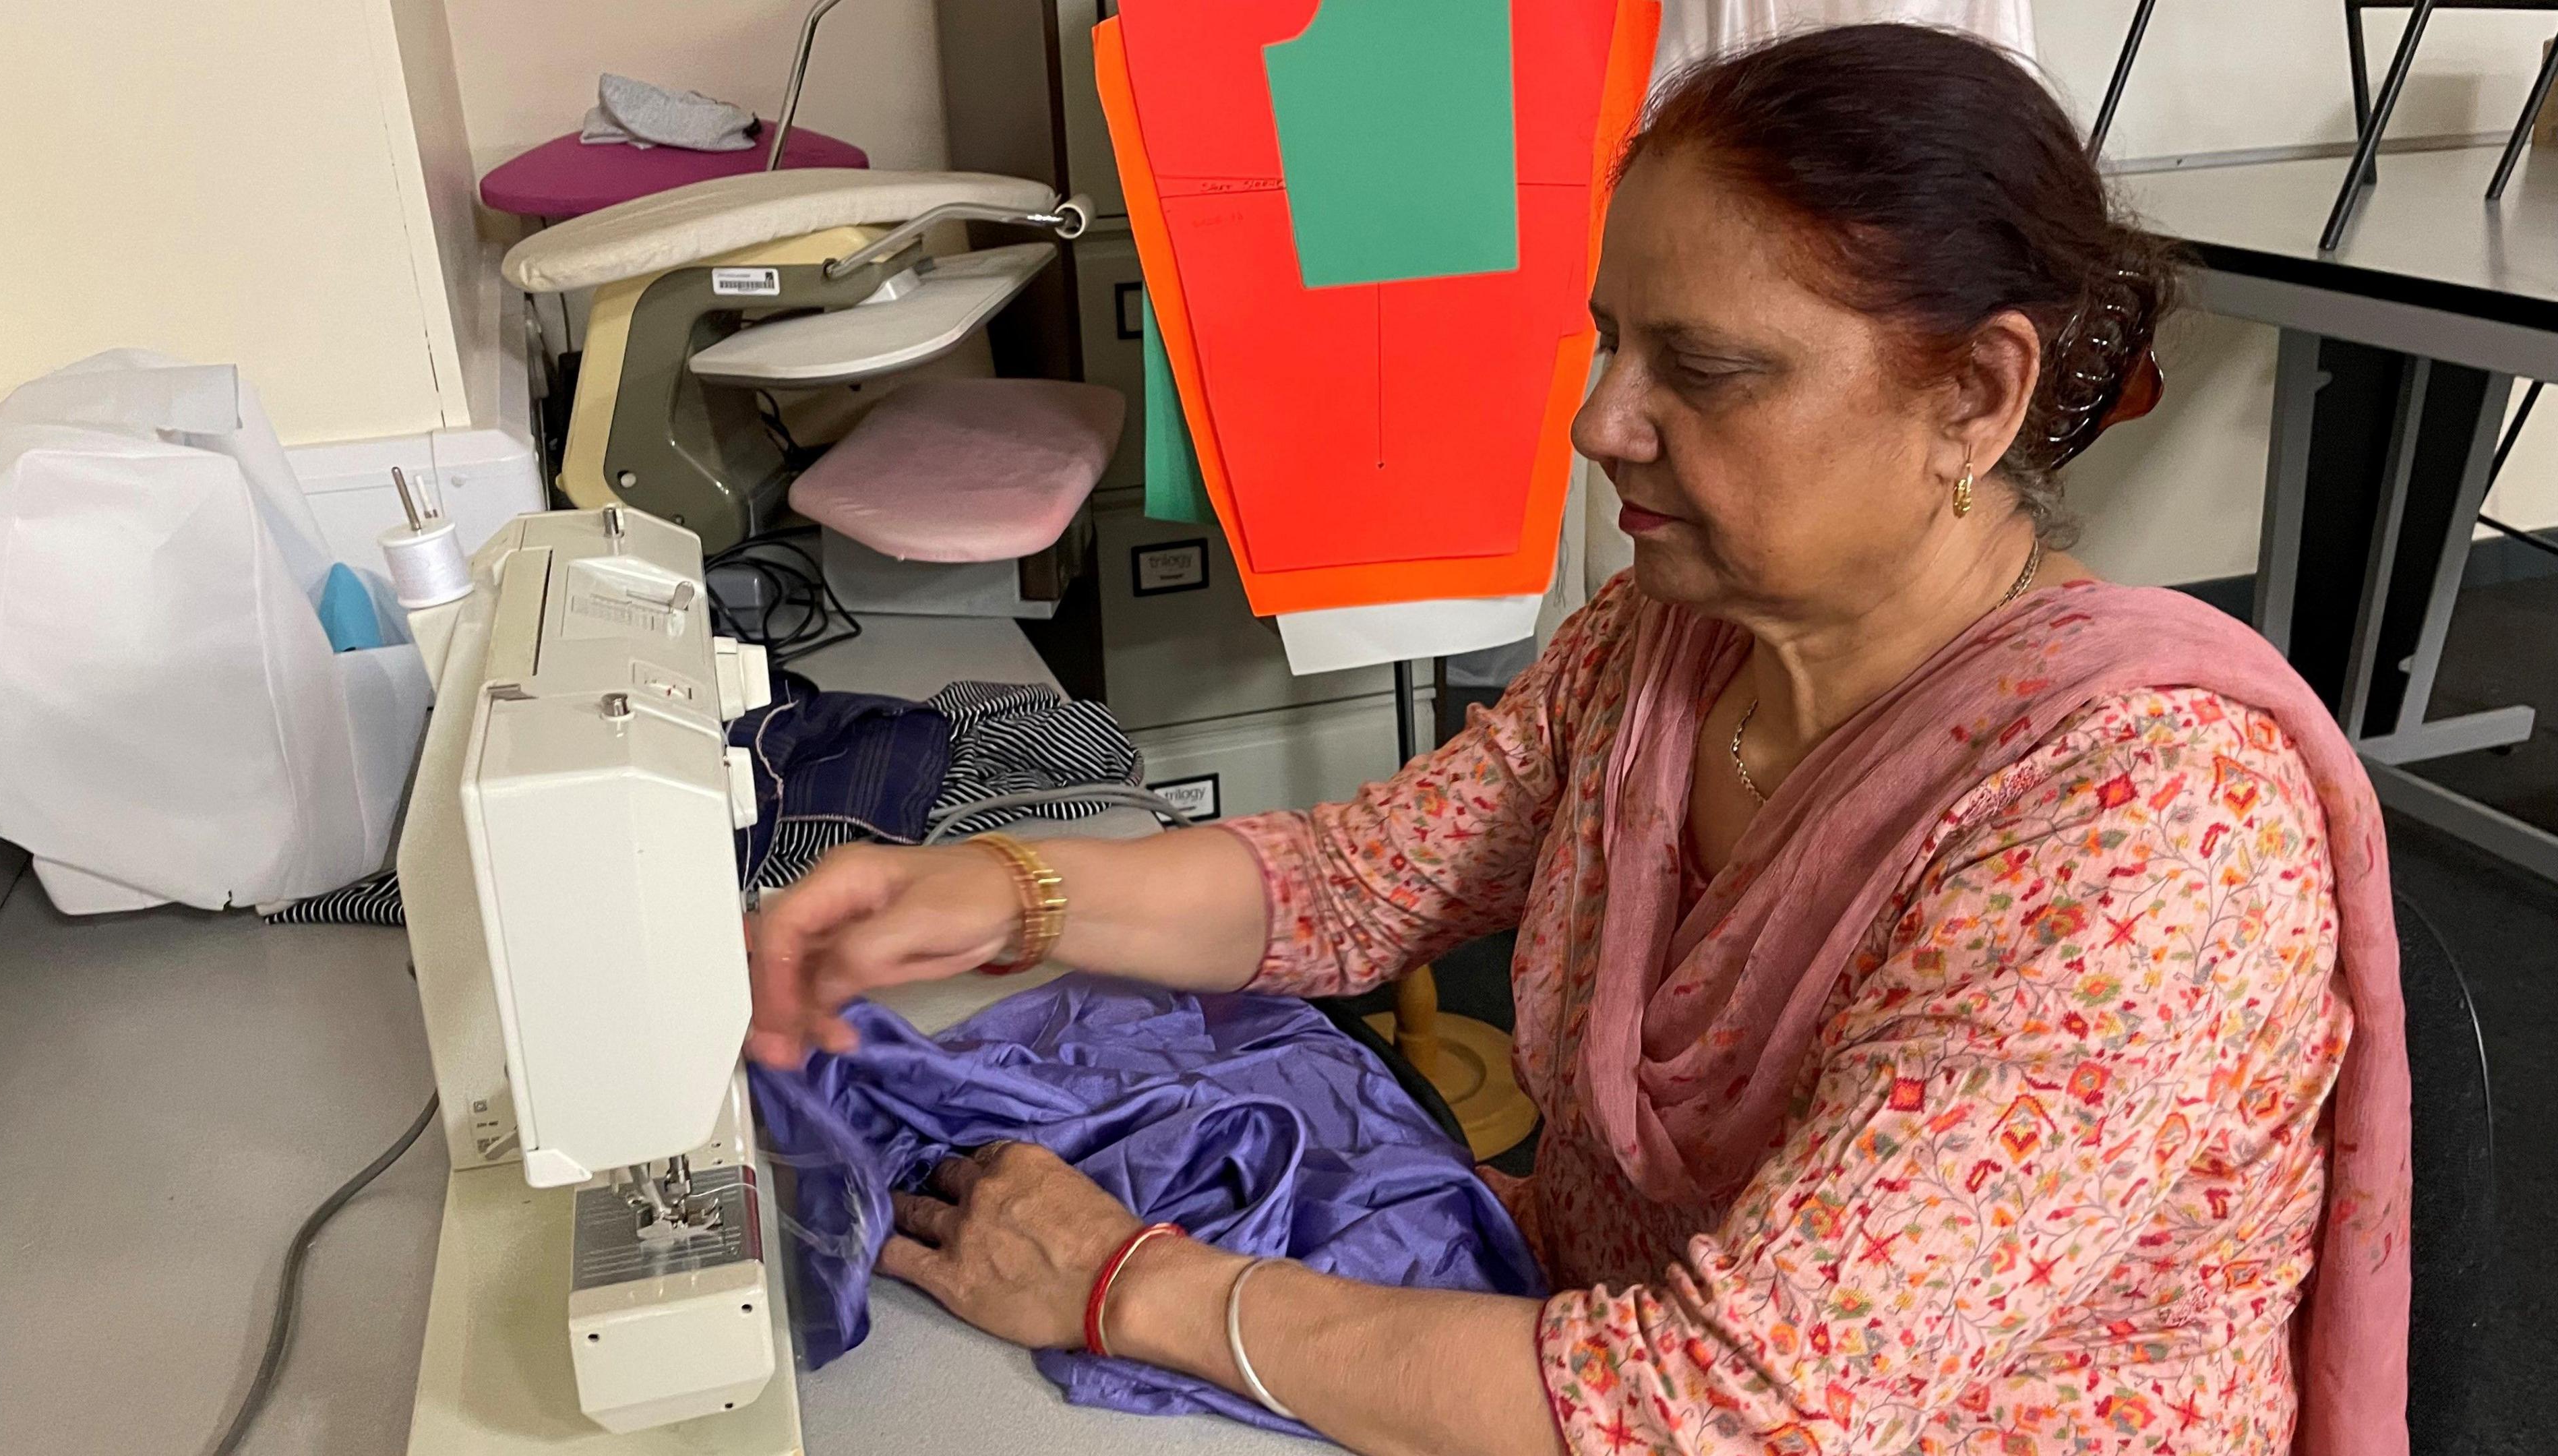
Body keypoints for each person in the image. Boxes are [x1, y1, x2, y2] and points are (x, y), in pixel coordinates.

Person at [746, 24, 2411, 1456]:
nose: (1601, 421)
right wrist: (997, 892)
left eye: (1707, 370)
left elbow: (1735, 1407)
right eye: (1611, 339)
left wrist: (1132, 1290)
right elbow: (1362, 881)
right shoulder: (1668, 642)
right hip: (1623, 1336)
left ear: (1974, 397)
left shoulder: (2139, 823)